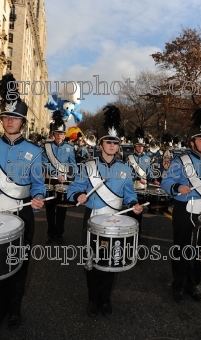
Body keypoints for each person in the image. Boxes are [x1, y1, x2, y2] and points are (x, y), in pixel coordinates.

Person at [67, 105, 143, 317]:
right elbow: (73, 189)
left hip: (115, 222)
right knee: (92, 262)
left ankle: (106, 298)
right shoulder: (88, 166)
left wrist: (133, 204)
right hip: (92, 219)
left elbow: (129, 195)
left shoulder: (125, 169)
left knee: (112, 261)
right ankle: (93, 299)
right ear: (101, 144)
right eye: (108, 141)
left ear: (119, 145)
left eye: (115, 142)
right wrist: (78, 196)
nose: (112, 145)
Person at [161, 108, 201, 303]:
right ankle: (178, 285)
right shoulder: (180, 161)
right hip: (184, 210)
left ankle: (192, 284)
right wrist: (178, 187)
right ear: (192, 142)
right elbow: (165, 183)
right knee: (182, 248)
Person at [0, 73, 45, 328]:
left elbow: (38, 186)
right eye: (6, 117)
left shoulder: (35, 152)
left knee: (19, 265)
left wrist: (38, 199)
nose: (9, 121)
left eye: (14, 118)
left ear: (22, 123)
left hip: (21, 215)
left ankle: (14, 308)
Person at [42, 111, 77, 244]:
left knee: (62, 208)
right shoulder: (47, 146)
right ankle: (50, 234)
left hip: (64, 181)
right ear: (53, 134)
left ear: (64, 134)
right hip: (50, 180)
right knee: (50, 209)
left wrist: (69, 175)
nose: (59, 136)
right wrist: (57, 173)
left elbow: (73, 165)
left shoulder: (69, 147)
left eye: (61, 134)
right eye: (57, 133)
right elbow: (44, 162)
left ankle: (59, 234)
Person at [125, 128, 160, 237]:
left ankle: (137, 232)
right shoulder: (129, 158)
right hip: (131, 187)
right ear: (135, 146)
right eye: (138, 146)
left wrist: (154, 179)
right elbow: (126, 173)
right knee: (131, 211)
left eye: (142, 146)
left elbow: (149, 171)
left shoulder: (147, 158)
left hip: (142, 188)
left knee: (139, 211)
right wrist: (137, 178)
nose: (140, 148)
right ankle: (129, 232)